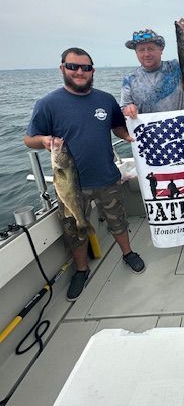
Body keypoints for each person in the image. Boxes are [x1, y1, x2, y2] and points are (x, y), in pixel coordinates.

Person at [24, 48, 145, 302]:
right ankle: (81, 269)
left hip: (107, 178)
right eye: (73, 66)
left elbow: (117, 126)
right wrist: (44, 140)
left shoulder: (105, 99)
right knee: (74, 231)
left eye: (85, 68)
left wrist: (131, 135)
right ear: (62, 69)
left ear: (92, 71)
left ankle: (128, 253)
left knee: (118, 221)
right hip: (69, 186)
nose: (80, 72)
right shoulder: (47, 103)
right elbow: (28, 139)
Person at [121, 18, 184, 118]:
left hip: (181, 128)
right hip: (150, 131)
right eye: (141, 50)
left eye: (151, 49)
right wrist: (127, 109)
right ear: (136, 53)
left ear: (161, 49)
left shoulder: (175, 68)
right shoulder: (129, 80)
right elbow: (124, 108)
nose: (146, 54)